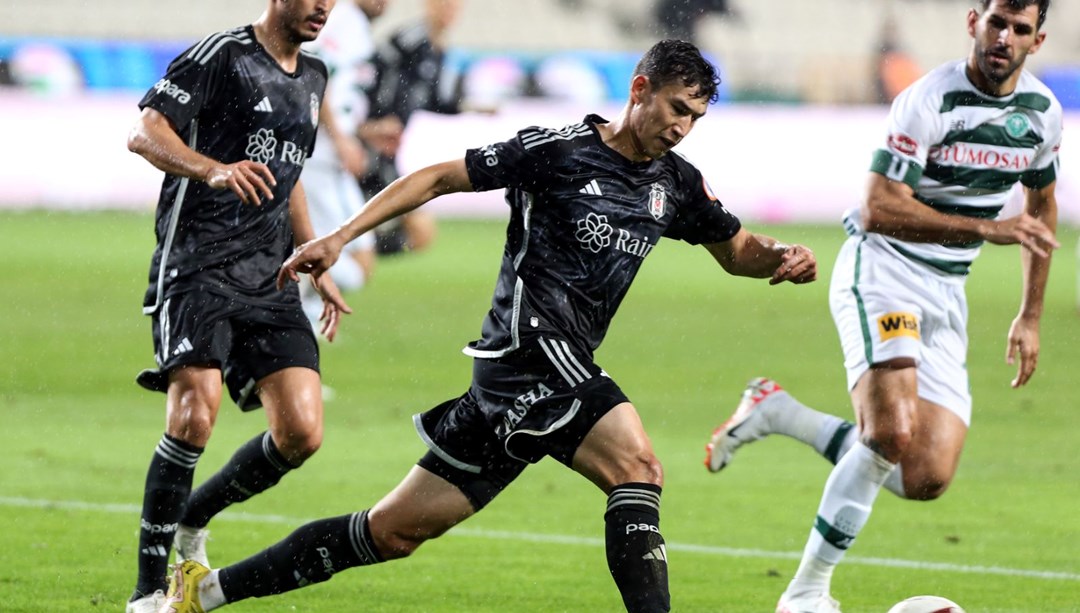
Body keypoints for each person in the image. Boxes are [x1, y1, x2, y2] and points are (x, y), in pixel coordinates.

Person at [157, 39, 818, 613]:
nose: (682, 127)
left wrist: (781, 257)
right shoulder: (557, 151)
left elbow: (737, 251)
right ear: (640, 88)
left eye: (695, 117)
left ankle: (202, 593)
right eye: (676, 108)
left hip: (524, 379)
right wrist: (340, 235)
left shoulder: (675, 183)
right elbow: (438, 178)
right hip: (527, 352)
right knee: (637, 466)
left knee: (392, 531)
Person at [704, 2, 1061, 612]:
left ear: (1038, 39)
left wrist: (1029, 314)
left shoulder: (1042, 114)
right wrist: (985, 228)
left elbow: (1042, 206)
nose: (1005, 37)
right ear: (973, 22)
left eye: (1019, 28)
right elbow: (877, 208)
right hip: (885, 271)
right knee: (891, 432)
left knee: (925, 476)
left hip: (948, 291)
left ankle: (780, 413)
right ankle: (804, 593)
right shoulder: (928, 100)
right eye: (996, 22)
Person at [123, 1, 350, 611]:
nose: (324, 6)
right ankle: (148, 594)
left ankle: (193, 514)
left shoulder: (315, 75)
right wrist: (213, 171)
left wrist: (310, 252)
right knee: (195, 413)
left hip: (270, 276)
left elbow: (288, 173)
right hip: (196, 267)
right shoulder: (221, 56)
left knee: (301, 432)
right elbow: (144, 132)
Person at [299, 0, 389, 327]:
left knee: (358, 260)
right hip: (319, 158)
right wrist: (340, 139)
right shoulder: (342, 21)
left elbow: (341, 95)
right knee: (339, 257)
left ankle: (299, 313)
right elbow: (315, 77)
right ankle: (277, 287)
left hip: (332, 160)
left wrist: (362, 133)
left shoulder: (355, 26)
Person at [358, 0, 469, 255]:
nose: (449, 12)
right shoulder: (411, 40)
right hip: (371, 146)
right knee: (419, 229)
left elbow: (432, 100)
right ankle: (345, 253)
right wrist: (374, 121)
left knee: (419, 233)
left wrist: (468, 107)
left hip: (388, 148)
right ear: (429, 5)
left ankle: (347, 252)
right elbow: (373, 70)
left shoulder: (438, 47)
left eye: (454, 7)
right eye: (444, 5)